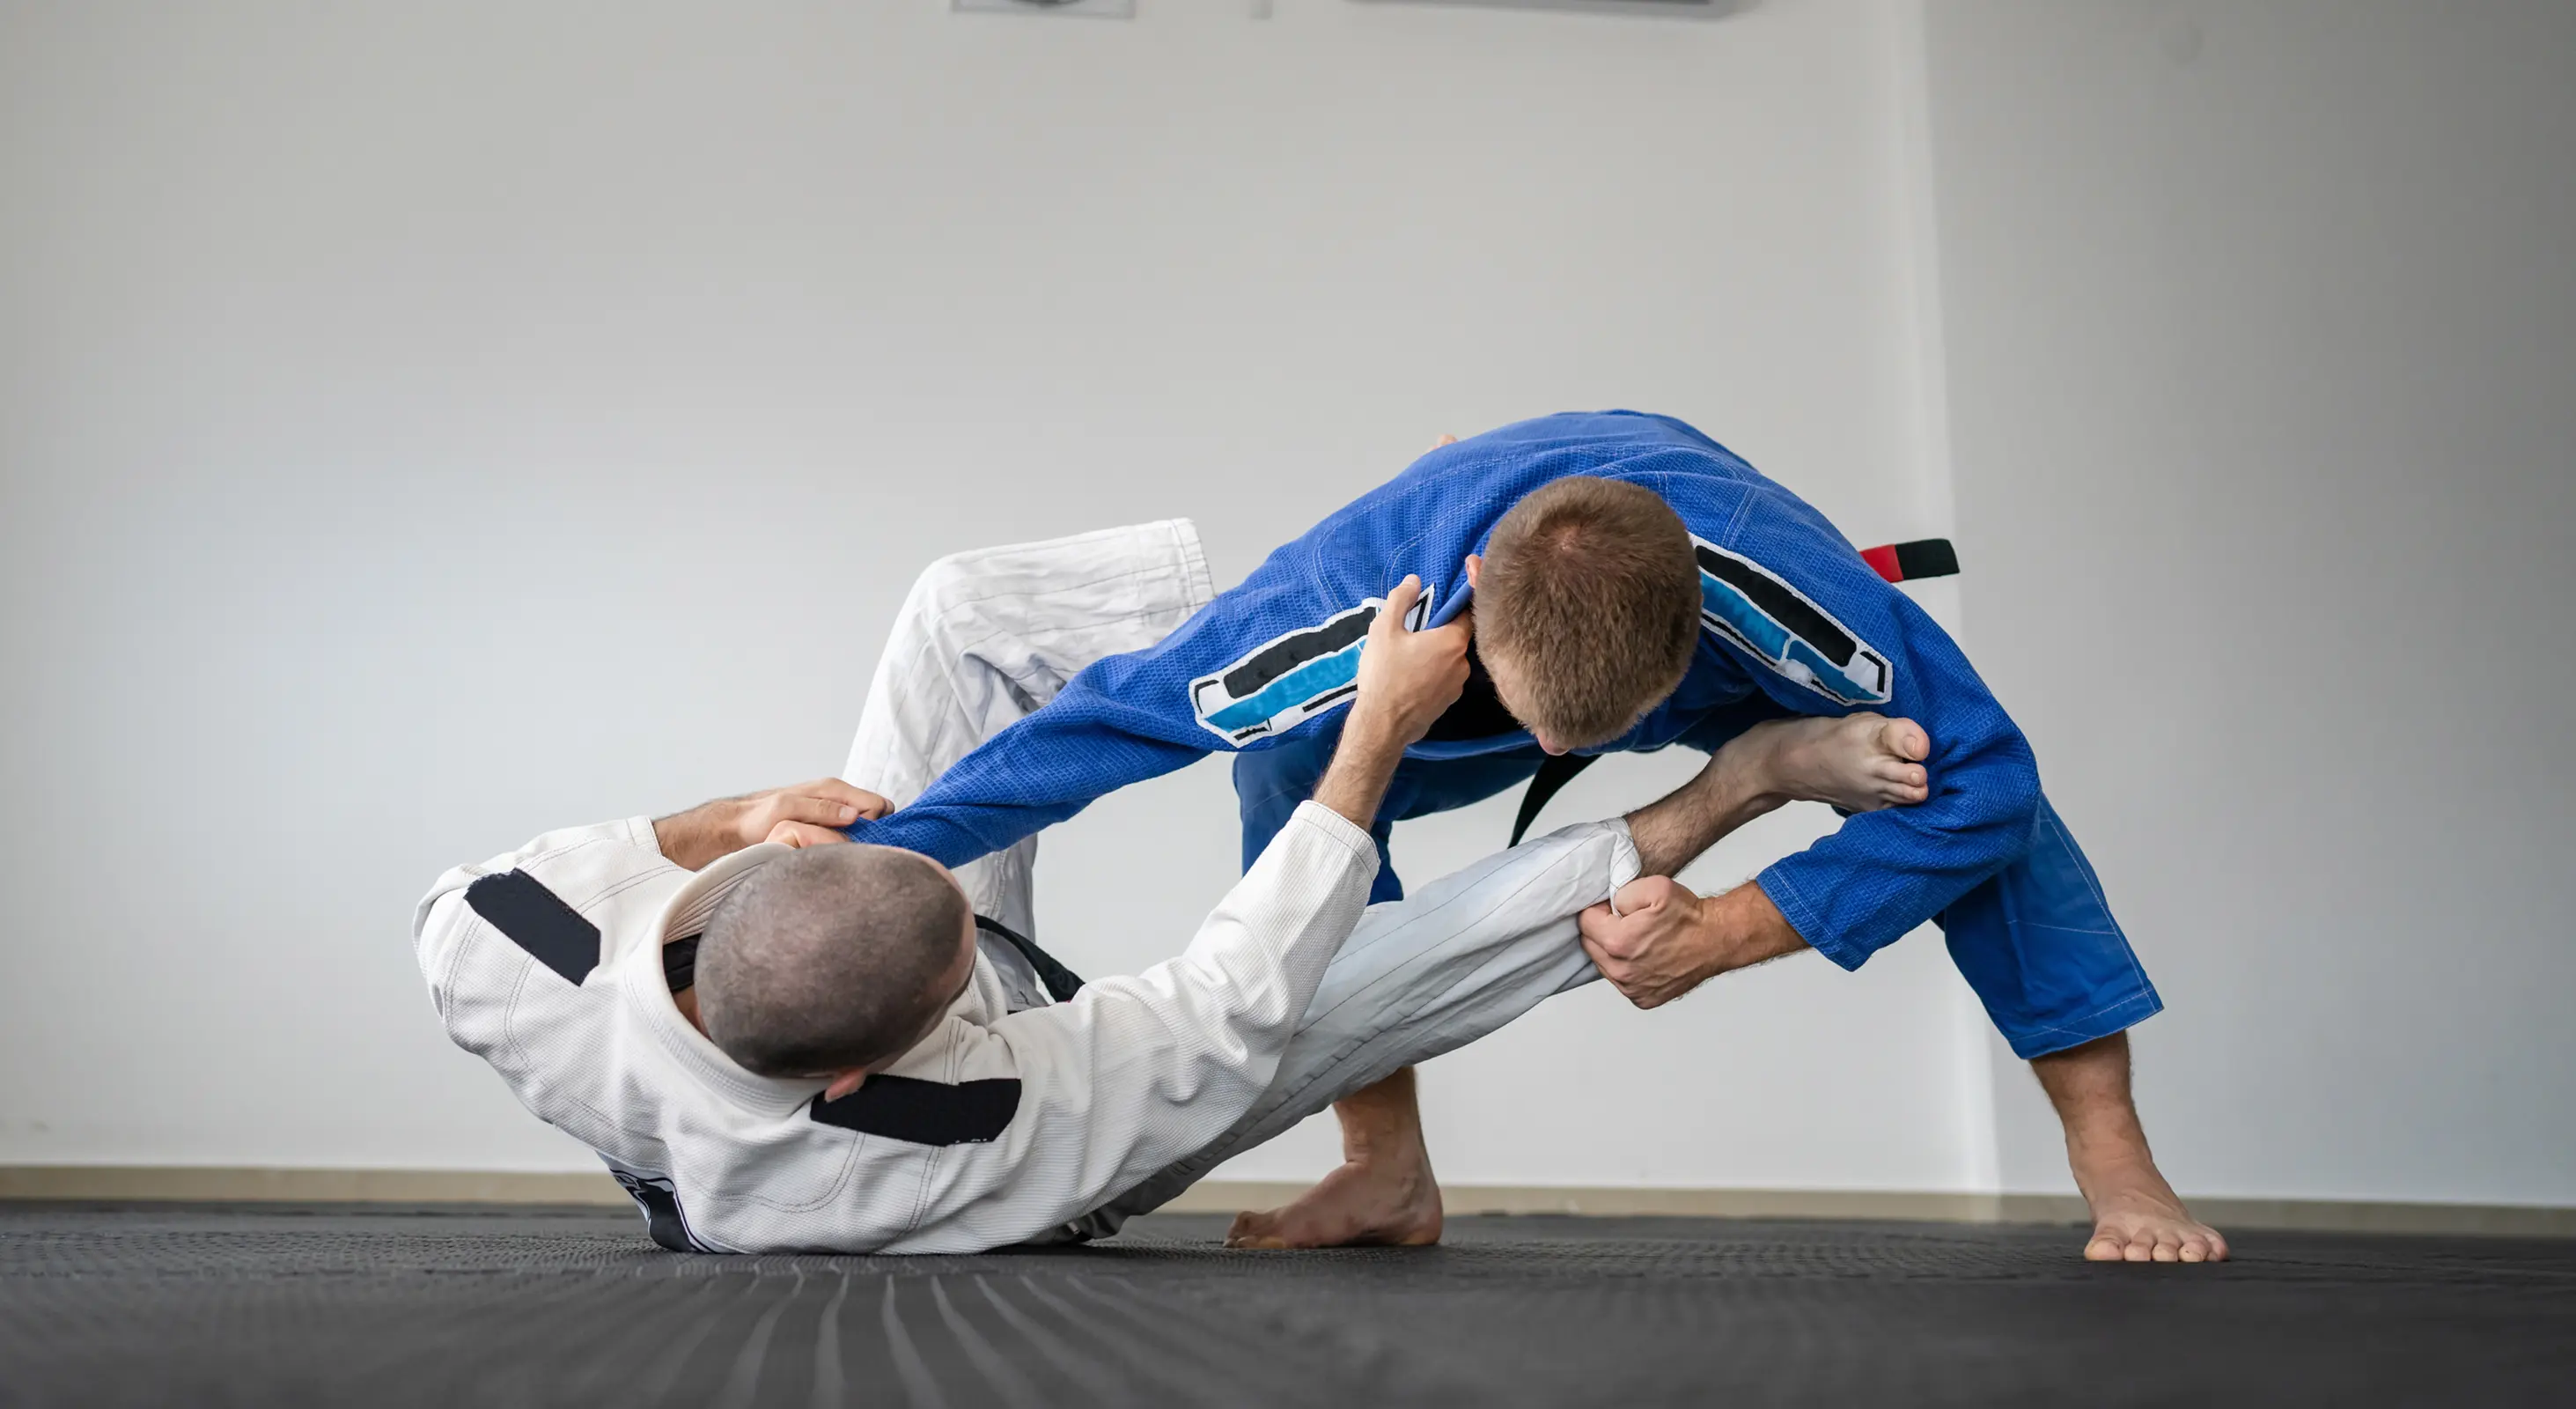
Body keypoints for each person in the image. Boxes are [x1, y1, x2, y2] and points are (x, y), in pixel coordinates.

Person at [842, 413, 2229, 1264]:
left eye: (1598, 736)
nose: (1565, 764)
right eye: (1545, 733)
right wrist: (858, 862)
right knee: (1297, 770)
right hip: (1462, 667)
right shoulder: (1338, 608)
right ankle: (1384, 1164)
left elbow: (1996, 776)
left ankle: (2111, 1152)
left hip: (1712, 651)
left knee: (1970, 787)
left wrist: (1739, 927)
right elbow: (1093, 734)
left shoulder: (1785, 596)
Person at [413, 522, 1908, 1254]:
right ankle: (1750, 779)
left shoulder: (502, 946)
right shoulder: (964, 1122)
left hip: (817, 980)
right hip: (1059, 1158)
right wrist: (1373, 734)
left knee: (959, 613)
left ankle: (1299, 634)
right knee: (1418, 953)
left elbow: (501, 885)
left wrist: (727, 808)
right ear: (910, 1045)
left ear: (752, 885)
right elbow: (1230, 992)